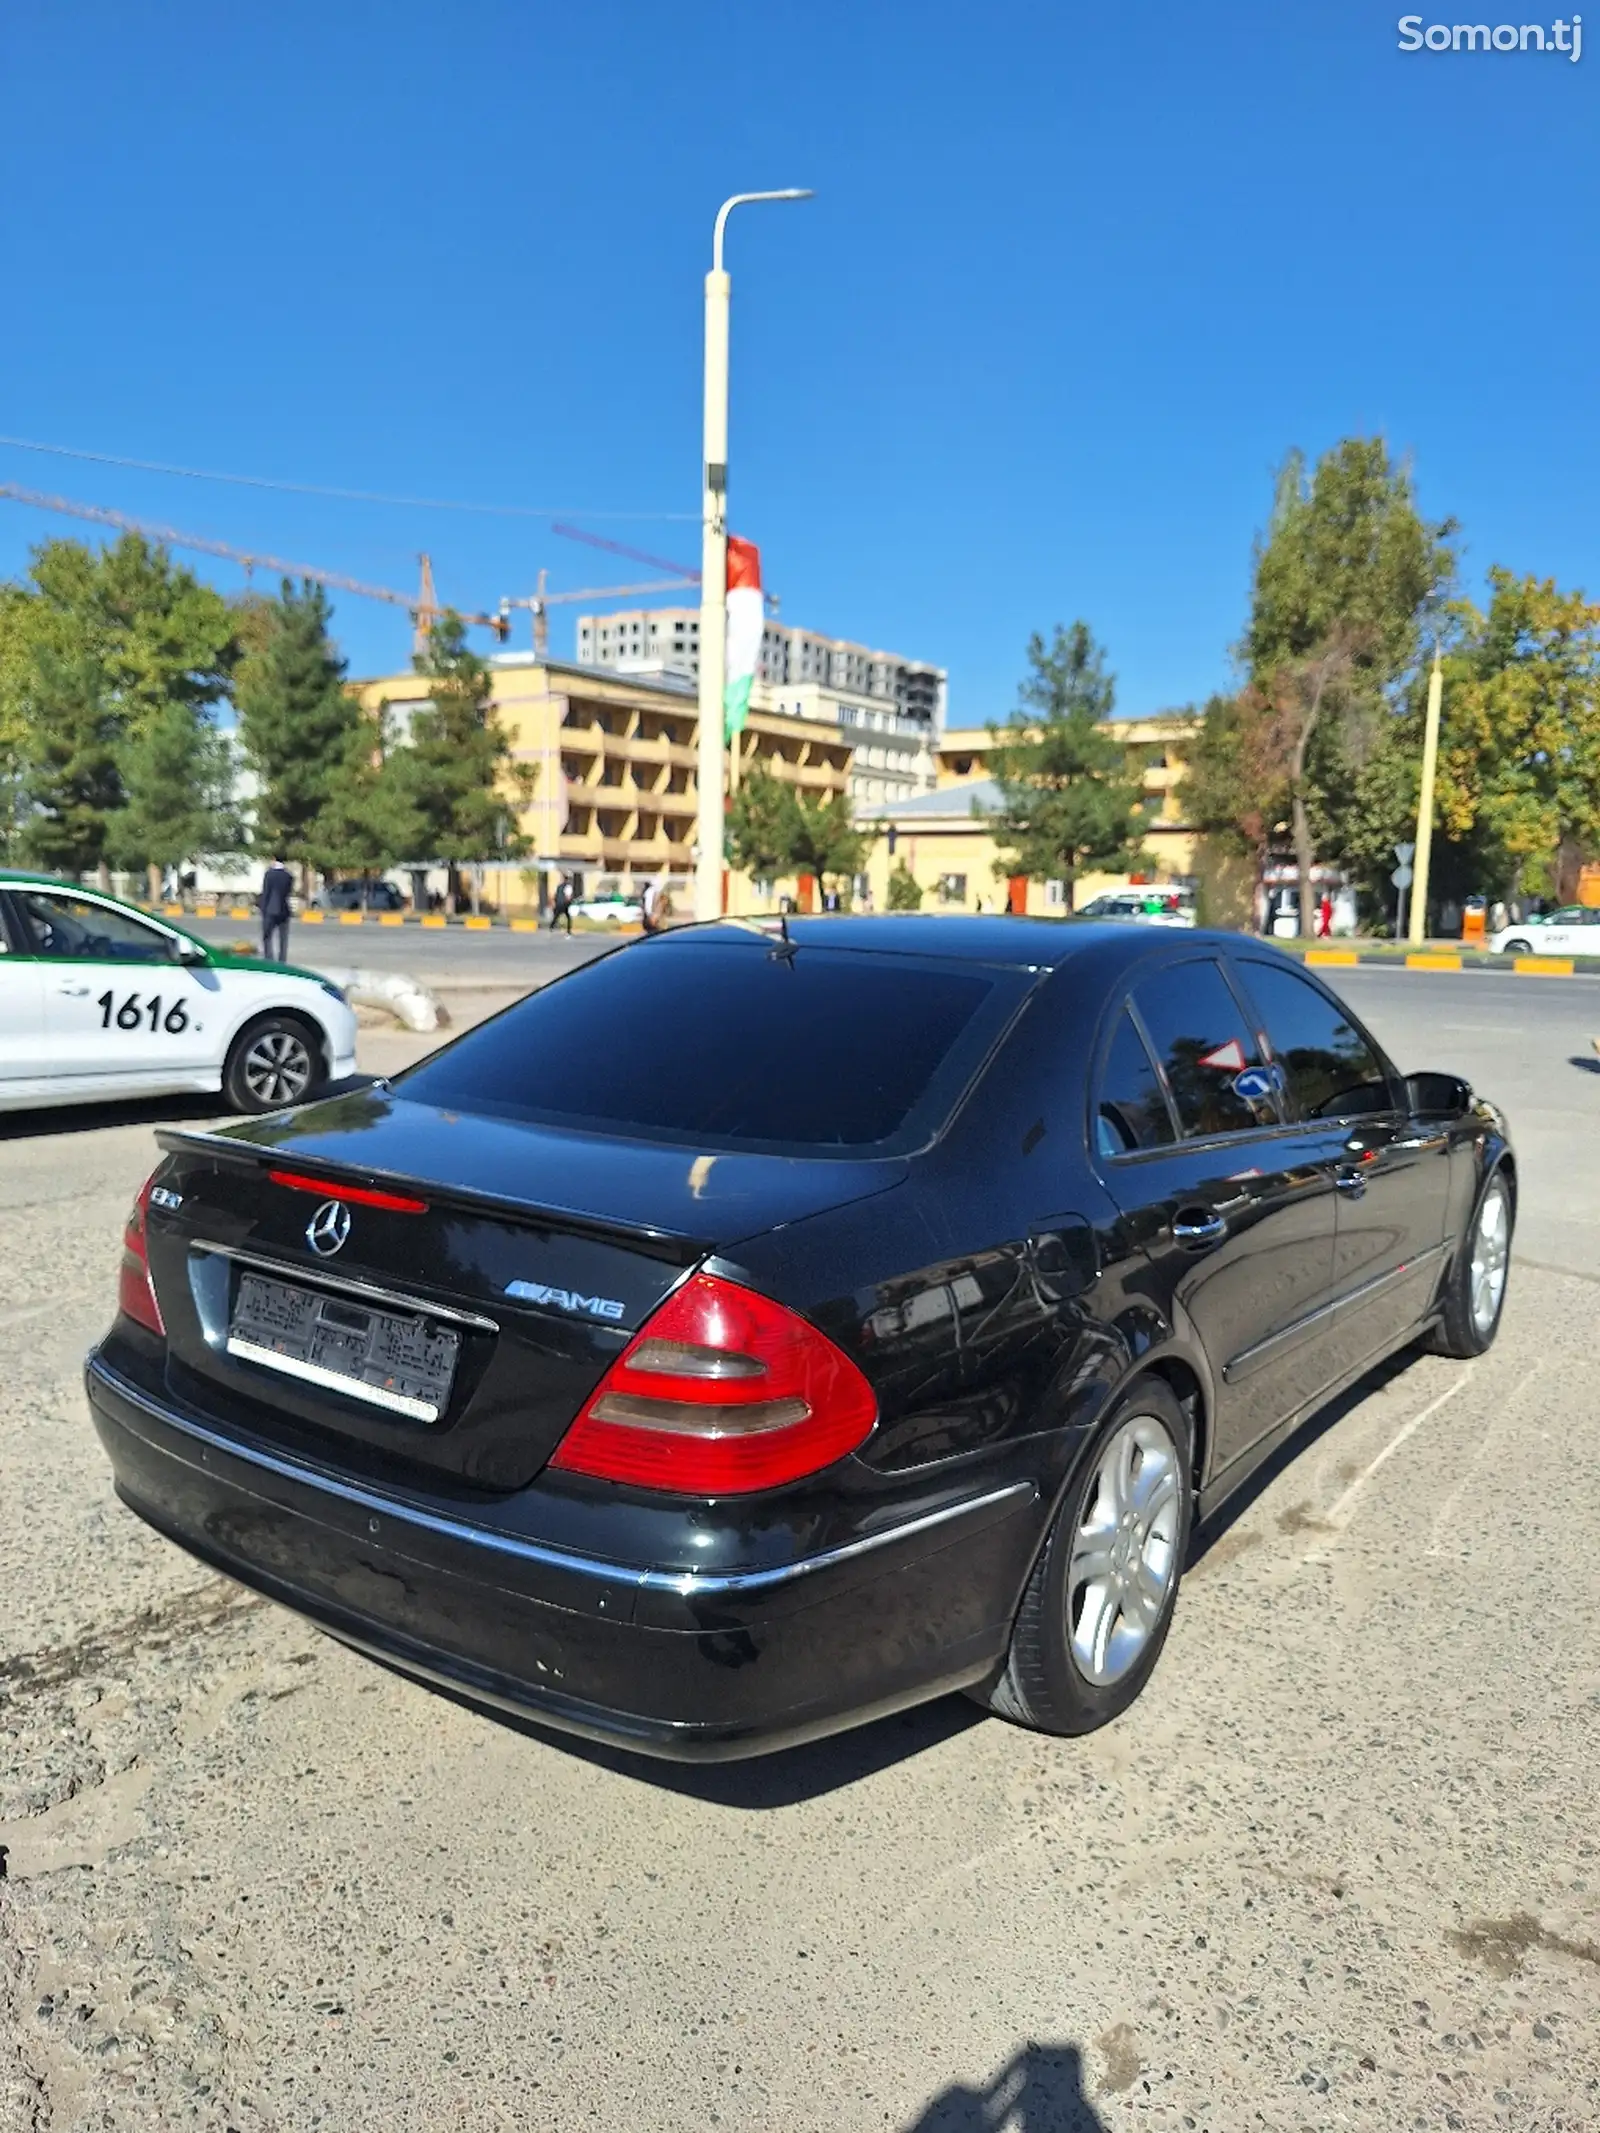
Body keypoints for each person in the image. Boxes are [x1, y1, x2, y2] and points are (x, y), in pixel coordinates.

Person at [259, 853, 293, 963]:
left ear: (274, 859)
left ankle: (269, 959)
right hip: (284, 910)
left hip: (270, 910)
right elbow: (288, 893)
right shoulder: (288, 876)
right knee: (283, 938)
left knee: (267, 936)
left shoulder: (269, 874)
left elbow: (266, 893)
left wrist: (262, 909)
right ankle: (282, 960)